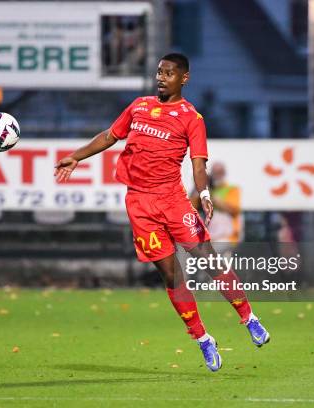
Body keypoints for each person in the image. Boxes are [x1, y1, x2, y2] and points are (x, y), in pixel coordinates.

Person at [55, 53, 269, 372]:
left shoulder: (191, 118)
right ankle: (203, 339)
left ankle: (248, 318)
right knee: (171, 274)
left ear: (184, 78)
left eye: (169, 73)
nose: (161, 77)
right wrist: (76, 156)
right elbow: (109, 136)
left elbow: (199, 163)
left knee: (209, 260)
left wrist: (205, 193)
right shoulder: (139, 106)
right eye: (159, 72)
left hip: (173, 201)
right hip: (140, 204)